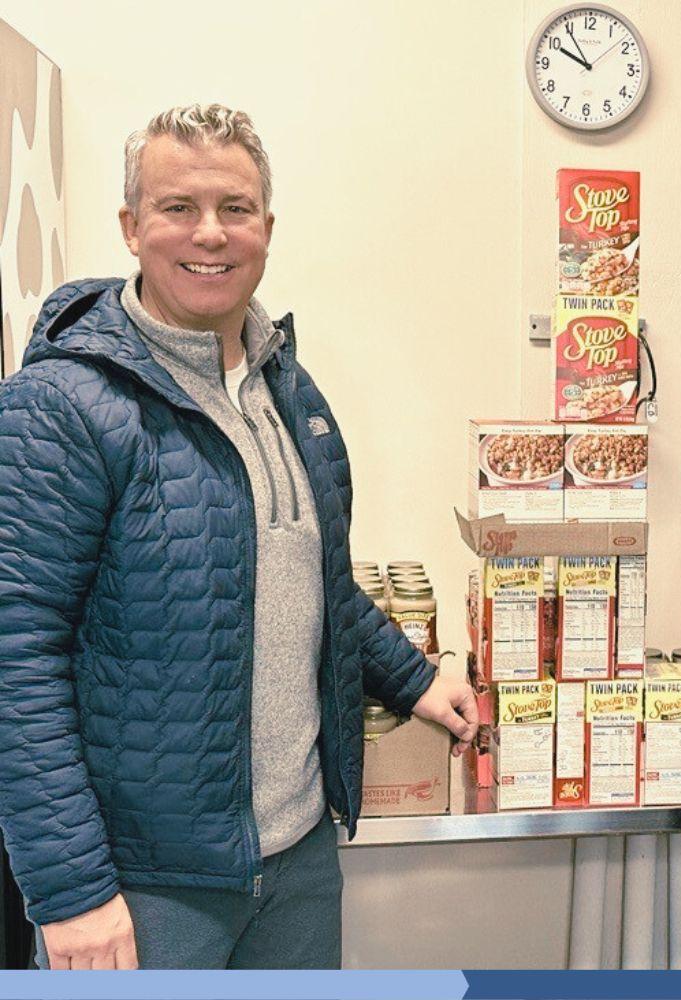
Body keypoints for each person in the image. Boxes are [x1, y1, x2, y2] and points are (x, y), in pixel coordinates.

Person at [0, 104, 478, 970]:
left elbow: (310, 578)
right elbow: (15, 653)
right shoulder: (61, 407)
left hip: (298, 861)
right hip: (144, 888)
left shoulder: (288, 388)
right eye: (178, 207)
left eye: (235, 208)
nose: (211, 234)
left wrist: (414, 679)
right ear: (131, 226)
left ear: (267, 228)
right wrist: (70, 891)